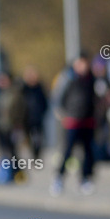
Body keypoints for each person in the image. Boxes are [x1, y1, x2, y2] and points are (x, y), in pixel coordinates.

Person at [52, 53, 97, 195]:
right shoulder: (68, 78)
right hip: (72, 120)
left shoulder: (92, 79)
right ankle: (59, 178)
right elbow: (58, 98)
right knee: (67, 151)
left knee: (88, 152)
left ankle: (85, 179)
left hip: (88, 120)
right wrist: (62, 114)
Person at [20, 65, 48, 160]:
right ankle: (32, 154)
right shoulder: (23, 89)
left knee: (38, 139)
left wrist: (42, 112)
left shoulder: (39, 88)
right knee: (29, 139)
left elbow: (44, 102)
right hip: (26, 118)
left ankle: (37, 155)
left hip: (37, 118)